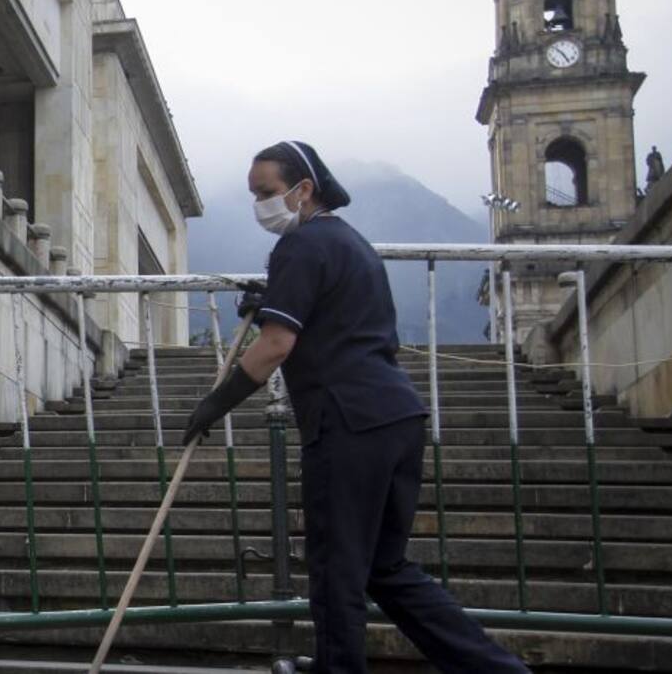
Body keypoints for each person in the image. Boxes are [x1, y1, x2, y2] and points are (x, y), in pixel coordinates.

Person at [183, 140, 529, 674]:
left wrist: (215, 403)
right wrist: (271, 299)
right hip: (397, 416)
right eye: (254, 194)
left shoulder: (299, 247)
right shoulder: (351, 244)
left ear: (303, 189)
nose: (260, 205)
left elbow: (277, 344)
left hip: (347, 422)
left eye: (267, 192)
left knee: (336, 569)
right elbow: (328, 313)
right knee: (384, 568)